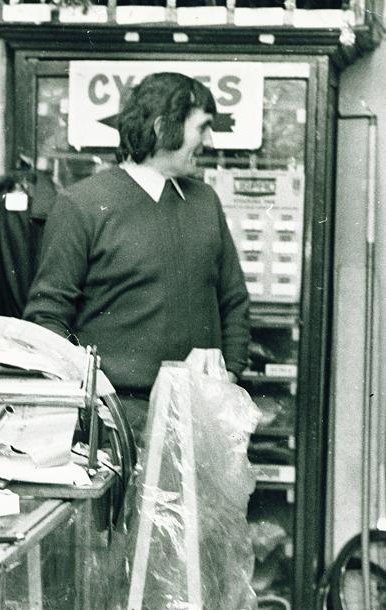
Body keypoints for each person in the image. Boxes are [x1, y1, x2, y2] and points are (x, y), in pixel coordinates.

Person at [24, 72, 250, 435]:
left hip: (199, 418)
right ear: (163, 128)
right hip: (113, 424)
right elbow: (47, 317)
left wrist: (231, 373)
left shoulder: (205, 202)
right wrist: (91, 402)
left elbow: (234, 300)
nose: (209, 140)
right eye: (203, 127)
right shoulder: (81, 204)